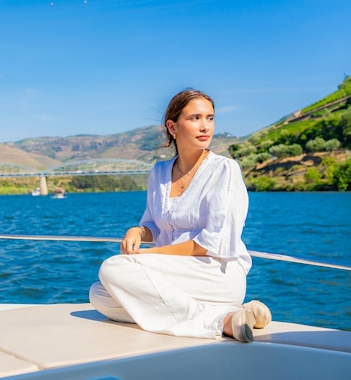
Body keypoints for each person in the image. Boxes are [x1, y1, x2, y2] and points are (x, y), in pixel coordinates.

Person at [89, 88, 271, 342]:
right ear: (172, 128)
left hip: (215, 273)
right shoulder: (159, 172)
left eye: (210, 118)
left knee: (113, 269)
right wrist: (138, 231)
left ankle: (220, 321)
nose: (205, 126)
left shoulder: (224, 170)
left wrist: (145, 256)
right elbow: (154, 225)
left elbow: (211, 244)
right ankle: (234, 314)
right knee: (98, 295)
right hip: (173, 274)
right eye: (195, 118)